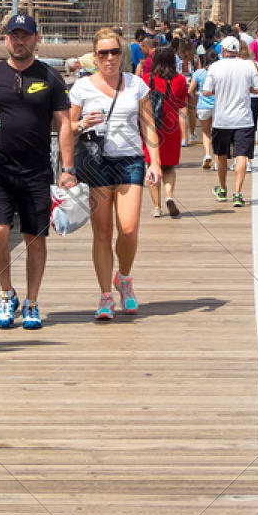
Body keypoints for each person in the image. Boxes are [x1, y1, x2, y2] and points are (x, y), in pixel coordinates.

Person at [0, 14, 77, 332]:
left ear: (36, 39)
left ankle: (32, 302)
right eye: (14, 35)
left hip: (37, 171)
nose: (19, 41)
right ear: (5, 40)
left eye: (25, 35)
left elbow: (65, 123)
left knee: (34, 239)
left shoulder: (50, 77)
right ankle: (7, 293)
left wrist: (67, 169)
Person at [69, 26, 162, 320]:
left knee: (129, 228)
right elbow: (66, 128)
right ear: (94, 57)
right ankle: (105, 296)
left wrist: (155, 162)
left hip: (130, 160)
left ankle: (123, 277)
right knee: (103, 233)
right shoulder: (81, 88)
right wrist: (82, 124)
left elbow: (148, 125)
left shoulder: (136, 85)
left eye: (114, 52)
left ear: (121, 54)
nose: (109, 58)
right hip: (96, 163)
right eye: (103, 53)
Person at [204, 34, 258, 209]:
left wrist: (220, 91)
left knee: (221, 155)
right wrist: (248, 89)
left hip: (222, 120)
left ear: (222, 50)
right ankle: (238, 194)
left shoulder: (215, 67)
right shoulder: (248, 66)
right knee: (242, 155)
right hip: (243, 119)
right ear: (237, 50)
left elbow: (207, 91)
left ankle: (222, 189)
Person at [143, 44, 189, 217]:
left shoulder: (146, 79)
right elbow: (181, 104)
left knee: (152, 165)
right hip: (171, 127)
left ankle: (156, 207)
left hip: (152, 128)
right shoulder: (180, 80)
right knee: (169, 167)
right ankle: (169, 196)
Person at [191, 53, 216, 169]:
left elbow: (190, 90)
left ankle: (207, 154)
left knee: (206, 132)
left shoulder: (199, 73)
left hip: (203, 106)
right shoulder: (219, 72)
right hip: (217, 106)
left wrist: (197, 95)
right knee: (217, 132)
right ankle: (217, 159)